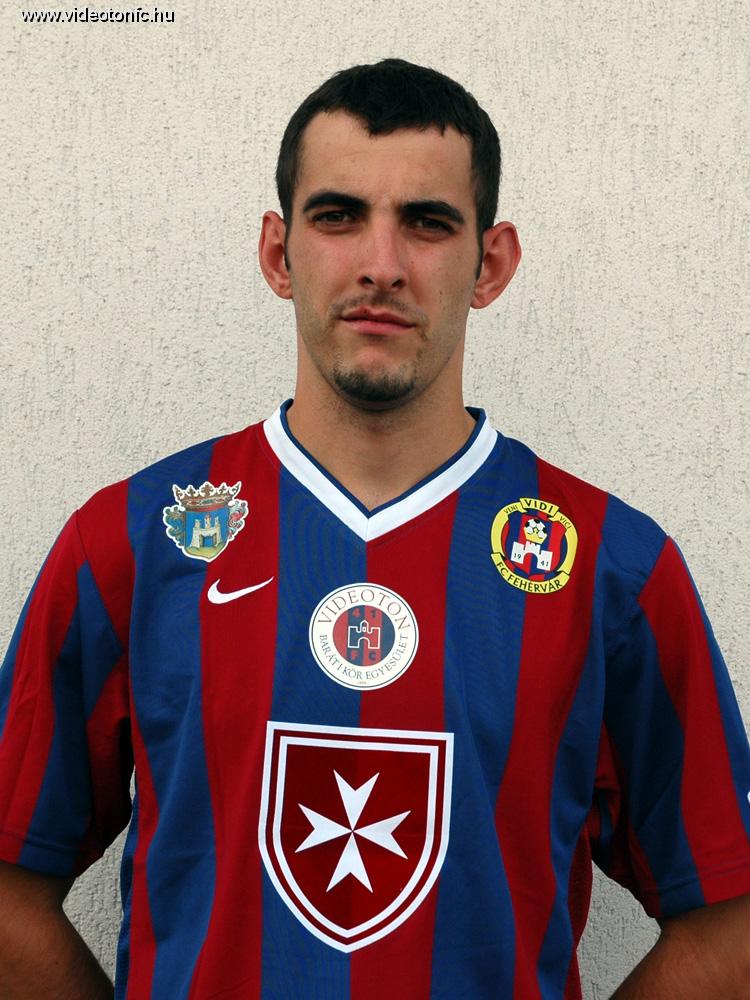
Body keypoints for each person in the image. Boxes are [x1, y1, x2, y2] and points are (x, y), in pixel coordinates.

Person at [1, 58, 749, 1000]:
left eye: (428, 223)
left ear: (492, 263)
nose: (381, 265)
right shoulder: (132, 543)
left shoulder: (610, 569)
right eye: (338, 215)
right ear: (279, 254)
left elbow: (730, 921)